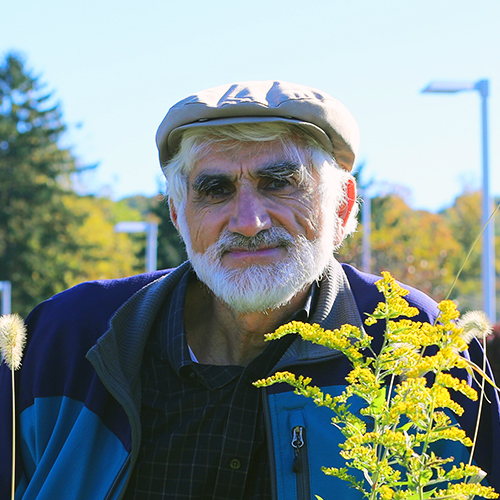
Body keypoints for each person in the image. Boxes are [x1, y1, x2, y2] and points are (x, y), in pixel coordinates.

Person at [1, 80, 499, 500]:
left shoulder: (420, 348)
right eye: (214, 190)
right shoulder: (64, 343)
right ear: (178, 213)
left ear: (343, 208)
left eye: (280, 183)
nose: (248, 221)